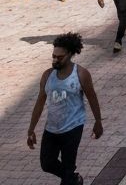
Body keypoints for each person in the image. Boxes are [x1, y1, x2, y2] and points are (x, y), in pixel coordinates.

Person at [27, 32, 102, 185]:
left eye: (59, 57)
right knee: (47, 164)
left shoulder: (81, 74)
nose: (54, 60)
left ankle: (70, 178)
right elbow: (39, 103)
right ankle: (74, 179)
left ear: (70, 54)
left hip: (73, 127)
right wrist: (31, 129)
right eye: (53, 56)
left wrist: (98, 121)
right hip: (52, 128)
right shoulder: (47, 75)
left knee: (67, 169)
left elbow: (92, 98)